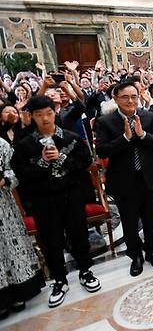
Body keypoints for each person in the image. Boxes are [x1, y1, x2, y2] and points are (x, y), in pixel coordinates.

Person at [11, 96, 100, 308]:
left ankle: (85, 271)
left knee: (79, 234)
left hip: (71, 196)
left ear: (55, 112)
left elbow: (85, 161)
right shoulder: (25, 145)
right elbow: (21, 174)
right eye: (39, 115)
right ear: (31, 116)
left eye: (49, 113)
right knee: (51, 241)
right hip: (43, 200)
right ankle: (59, 279)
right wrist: (42, 162)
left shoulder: (70, 137)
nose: (45, 119)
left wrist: (61, 158)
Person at [95, 82, 153, 276]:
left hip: (147, 177)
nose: (130, 101)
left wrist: (143, 135)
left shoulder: (148, 117)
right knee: (129, 221)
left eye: (134, 96)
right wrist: (125, 139)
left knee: (150, 218)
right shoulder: (105, 122)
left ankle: (152, 250)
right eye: (125, 97)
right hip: (123, 181)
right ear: (116, 98)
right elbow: (101, 150)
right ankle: (135, 255)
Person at [0, 135, 44, 319]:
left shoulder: (1, 143)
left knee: (11, 249)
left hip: (4, 206)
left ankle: (18, 293)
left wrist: (4, 179)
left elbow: (14, 168)